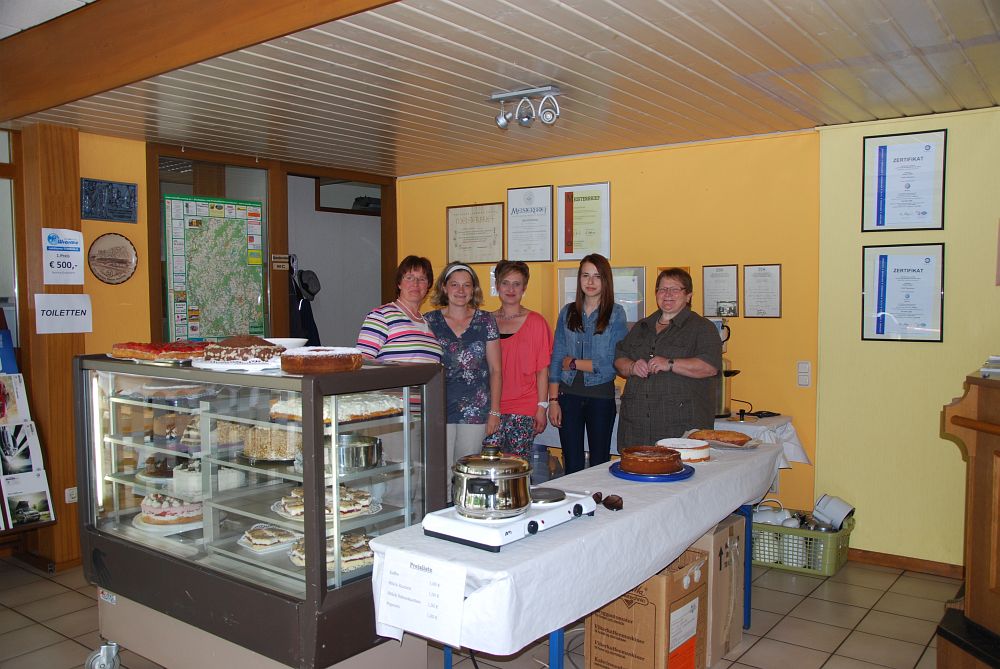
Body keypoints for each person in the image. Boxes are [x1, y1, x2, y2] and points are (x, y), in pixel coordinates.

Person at [614, 267, 721, 447]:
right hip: (636, 429)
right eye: (662, 289)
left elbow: (709, 367)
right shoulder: (641, 327)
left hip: (681, 431)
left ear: (688, 296)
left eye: (675, 289)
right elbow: (619, 359)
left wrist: (670, 364)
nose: (667, 294)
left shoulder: (702, 328)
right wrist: (632, 367)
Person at [547, 253, 628, 474]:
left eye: (597, 276)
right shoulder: (567, 312)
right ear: (579, 279)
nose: (590, 282)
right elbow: (557, 357)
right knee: (571, 463)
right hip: (568, 396)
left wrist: (573, 363)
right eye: (585, 275)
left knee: (599, 463)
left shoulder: (616, 313)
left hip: (600, 396)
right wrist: (553, 400)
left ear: (605, 280)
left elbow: (612, 363)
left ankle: (597, 498)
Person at [424, 262, 501, 467]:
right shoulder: (429, 321)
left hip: (475, 409)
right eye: (454, 284)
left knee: (466, 469)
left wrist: (494, 412)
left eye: (467, 285)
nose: (461, 290)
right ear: (444, 287)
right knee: (440, 470)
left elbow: (496, 369)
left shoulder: (486, 321)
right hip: (438, 407)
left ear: (473, 289)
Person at [488, 260, 553, 458]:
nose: (511, 289)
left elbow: (542, 370)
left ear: (524, 288)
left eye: (517, 284)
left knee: (516, 469)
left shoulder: (536, 322)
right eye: (505, 283)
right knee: (488, 468)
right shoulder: (485, 322)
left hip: (523, 409)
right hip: (490, 408)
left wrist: (542, 408)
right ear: (497, 285)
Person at [356, 255, 442, 364]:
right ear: (399, 283)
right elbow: (362, 362)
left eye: (422, 279)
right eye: (409, 278)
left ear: (428, 286)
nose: (415, 284)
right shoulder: (381, 316)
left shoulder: (429, 324)